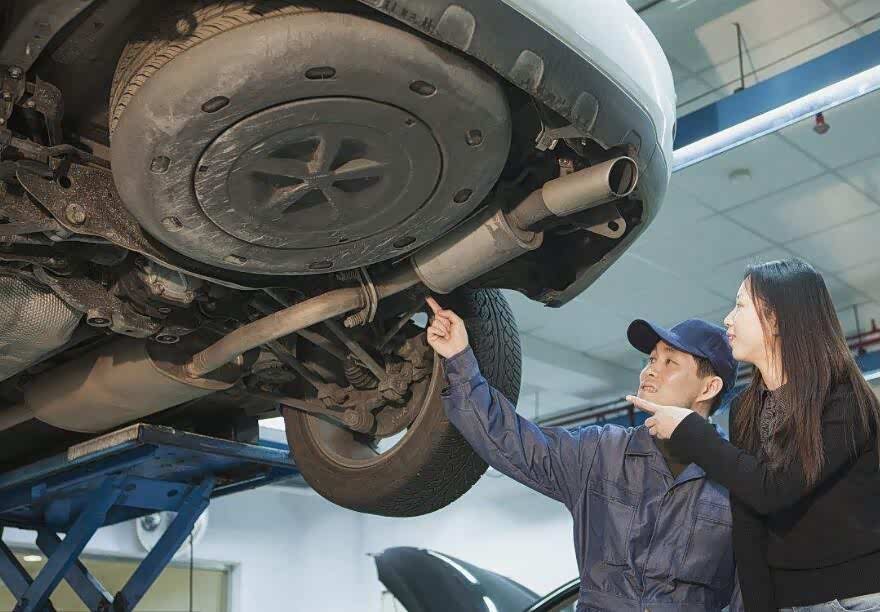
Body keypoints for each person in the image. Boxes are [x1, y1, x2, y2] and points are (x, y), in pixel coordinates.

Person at [426, 296, 743, 612]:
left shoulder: (738, 482)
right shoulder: (601, 452)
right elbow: (508, 440)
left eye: (669, 362)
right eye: (651, 359)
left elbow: (752, 595)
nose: (649, 371)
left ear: (708, 388)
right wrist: (459, 358)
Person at [627, 258, 880, 612]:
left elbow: (774, 489)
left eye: (740, 305)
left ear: (775, 319)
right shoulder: (746, 408)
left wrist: (689, 429)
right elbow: (749, 524)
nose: (728, 319)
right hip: (787, 602)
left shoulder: (844, 399)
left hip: (856, 599)